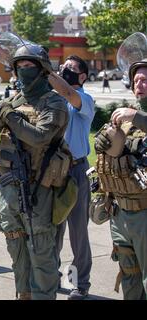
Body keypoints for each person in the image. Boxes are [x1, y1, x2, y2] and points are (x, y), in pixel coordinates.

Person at [0, 42, 70, 300]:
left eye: (29, 65)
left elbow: (40, 138)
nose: (23, 70)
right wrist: (0, 115)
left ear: (42, 70)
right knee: (14, 242)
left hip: (38, 187)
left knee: (40, 249)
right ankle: (23, 293)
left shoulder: (54, 103)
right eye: (19, 65)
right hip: (8, 185)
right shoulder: (9, 102)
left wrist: (12, 117)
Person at [94, 51, 147, 299]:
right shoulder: (125, 120)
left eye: (145, 80)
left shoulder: (133, 116)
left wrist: (135, 116)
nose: (140, 84)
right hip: (121, 213)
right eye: (136, 80)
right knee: (130, 277)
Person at [49, 55, 95, 300]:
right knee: (53, 229)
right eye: (63, 66)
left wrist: (48, 72)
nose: (65, 69)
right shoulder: (54, 98)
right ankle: (52, 276)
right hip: (54, 171)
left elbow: (68, 93)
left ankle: (80, 283)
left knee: (78, 233)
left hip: (76, 170)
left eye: (71, 68)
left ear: (83, 76)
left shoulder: (84, 99)